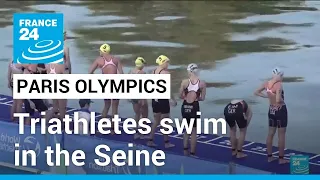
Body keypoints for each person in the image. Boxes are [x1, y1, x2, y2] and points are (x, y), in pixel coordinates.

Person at [254, 67, 288, 164]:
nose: (282, 78)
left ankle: (270, 157)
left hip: (271, 110)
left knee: (270, 133)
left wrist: (267, 96)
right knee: (281, 135)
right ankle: (281, 159)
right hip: (280, 110)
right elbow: (278, 100)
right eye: (282, 76)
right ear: (280, 75)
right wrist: (282, 100)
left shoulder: (266, 84)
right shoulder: (278, 85)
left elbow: (256, 92)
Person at [88, 43, 124, 134]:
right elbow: (122, 74)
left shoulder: (99, 60)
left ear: (102, 51)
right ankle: (113, 130)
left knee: (106, 105)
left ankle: (102, 127)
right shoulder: (116, 59)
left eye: (100, 51)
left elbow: (90, 72)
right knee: (115, 108)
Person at [147, 55, 176, 148]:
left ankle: (150, 140)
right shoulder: (166, 73)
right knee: (165, 121)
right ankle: (167, 143)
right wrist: (172, 99)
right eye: (167, 62)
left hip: (154, 99)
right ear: (163, 62)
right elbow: (168, 88)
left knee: (156, 121)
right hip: (162, 99)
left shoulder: (153, 72)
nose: (168, 64)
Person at [179, 63, 206, 156]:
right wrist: (196, 97)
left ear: (189, 71)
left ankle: (185, 150)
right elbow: (202, 98)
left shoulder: (184, 82)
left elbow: (180, 95)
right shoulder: (202, 83)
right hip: (195, 107)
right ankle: (192, 152)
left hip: (185, 106)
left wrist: (186, 97)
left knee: (187, 129)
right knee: (194, 130)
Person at [129, 57, 148, 139]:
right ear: (142, 64)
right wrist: (143, 99)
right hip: (140, 96)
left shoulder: (130, 72)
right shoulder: (142, 73)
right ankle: (143, 133)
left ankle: (136, 133)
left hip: (133, 96)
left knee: (137, 114)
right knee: (144, 115)